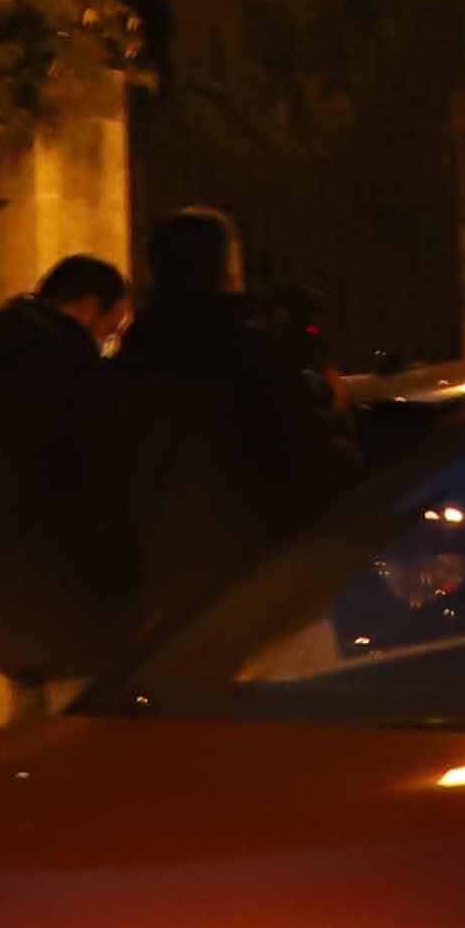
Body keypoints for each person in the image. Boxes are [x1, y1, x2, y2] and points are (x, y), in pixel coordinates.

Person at [105, 204, 344, 642]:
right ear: (226, 267)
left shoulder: (130, 364)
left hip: (161, 582)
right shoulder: (253, 355)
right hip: (254, 575)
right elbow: (307, 462)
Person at [0, 252, 138, 719]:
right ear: (91, 308)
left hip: (4, 582)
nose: (108, 342)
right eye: (111, 329)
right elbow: (93, 475)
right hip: (69, 592)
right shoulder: (68, 364)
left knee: (28, 726)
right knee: (78, 735)